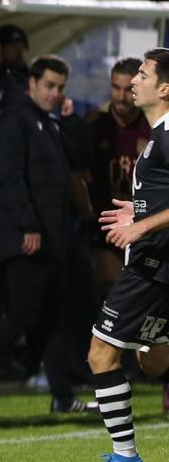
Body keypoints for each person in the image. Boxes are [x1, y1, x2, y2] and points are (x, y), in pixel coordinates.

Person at [0, 55, 89, 415]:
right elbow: (9, 179)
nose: (55, 94)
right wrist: (29, 226)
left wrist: (69, 119)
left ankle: (62, 395)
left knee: (54, 315)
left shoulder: (47, 123)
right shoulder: (15, 121)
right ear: (32, 84)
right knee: (22, 315)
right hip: (28, 237)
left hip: (51, 238)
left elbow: (79, 158)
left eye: (60, 88)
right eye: (50, 86)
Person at [81, 49, 169, 462]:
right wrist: (139, 212)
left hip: (150, 267)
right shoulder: (159, 135)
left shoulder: (168, 135)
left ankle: (126, 458)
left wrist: (140, 229)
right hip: (159, 266)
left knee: (101, 354)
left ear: (165, 88)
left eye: (144, 74)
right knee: (153, 360)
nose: (135, 80)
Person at [85, 58, 150, 291]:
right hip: (104, 230)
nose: (121, 97)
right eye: (115, 88)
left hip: (144, 230)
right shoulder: (94, 126)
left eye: (127, 89)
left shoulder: (154, 127)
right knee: (109, 295)